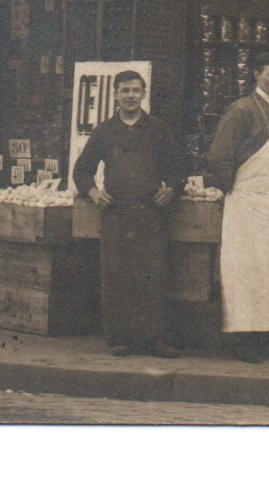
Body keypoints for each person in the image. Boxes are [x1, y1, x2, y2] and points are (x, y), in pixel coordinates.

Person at [71, 71, 185, 359]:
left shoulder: (158, 129)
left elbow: (178, 166)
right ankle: (119, 338)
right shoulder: (105, 131)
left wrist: (171, 188)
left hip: (151, 213)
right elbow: (82, 169)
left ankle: (154, 338)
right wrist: (94, 193)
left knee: (153, 275)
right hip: (116, 213)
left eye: (136, 90)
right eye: (125, 91)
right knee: (117, 275)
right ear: (116, 95)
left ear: (144, 93)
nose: (131, 96)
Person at [207, 50, 269, 363]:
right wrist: (235, 189)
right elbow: (218, 157)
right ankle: (243, 341)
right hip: (246, 203)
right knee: (244, 271)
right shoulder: (241, 110)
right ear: (256, 75)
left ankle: (266, 337)